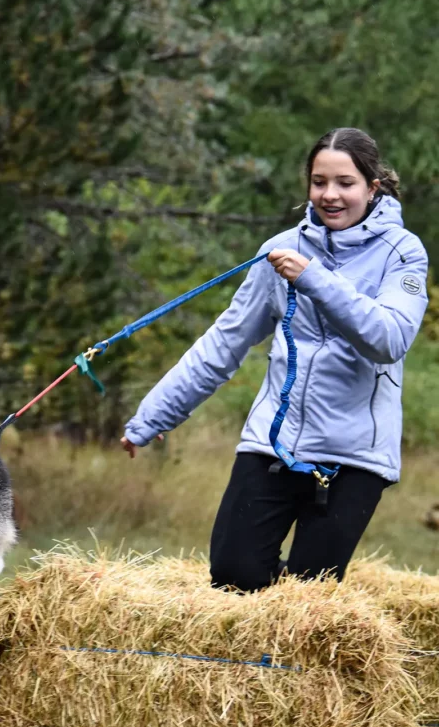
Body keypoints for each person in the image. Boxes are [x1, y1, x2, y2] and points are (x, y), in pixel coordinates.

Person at [120, 127, 428, 590]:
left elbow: (388, 339)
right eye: (319, 181)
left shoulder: (403, 253)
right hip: (272, 445)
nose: (330, 195)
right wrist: (153, 415)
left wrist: (315, 279)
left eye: (345, 183)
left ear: (372, 187)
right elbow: (223, 344)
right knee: (232, 574)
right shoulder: (281, 250)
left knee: (306, 597)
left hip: (355, 456)